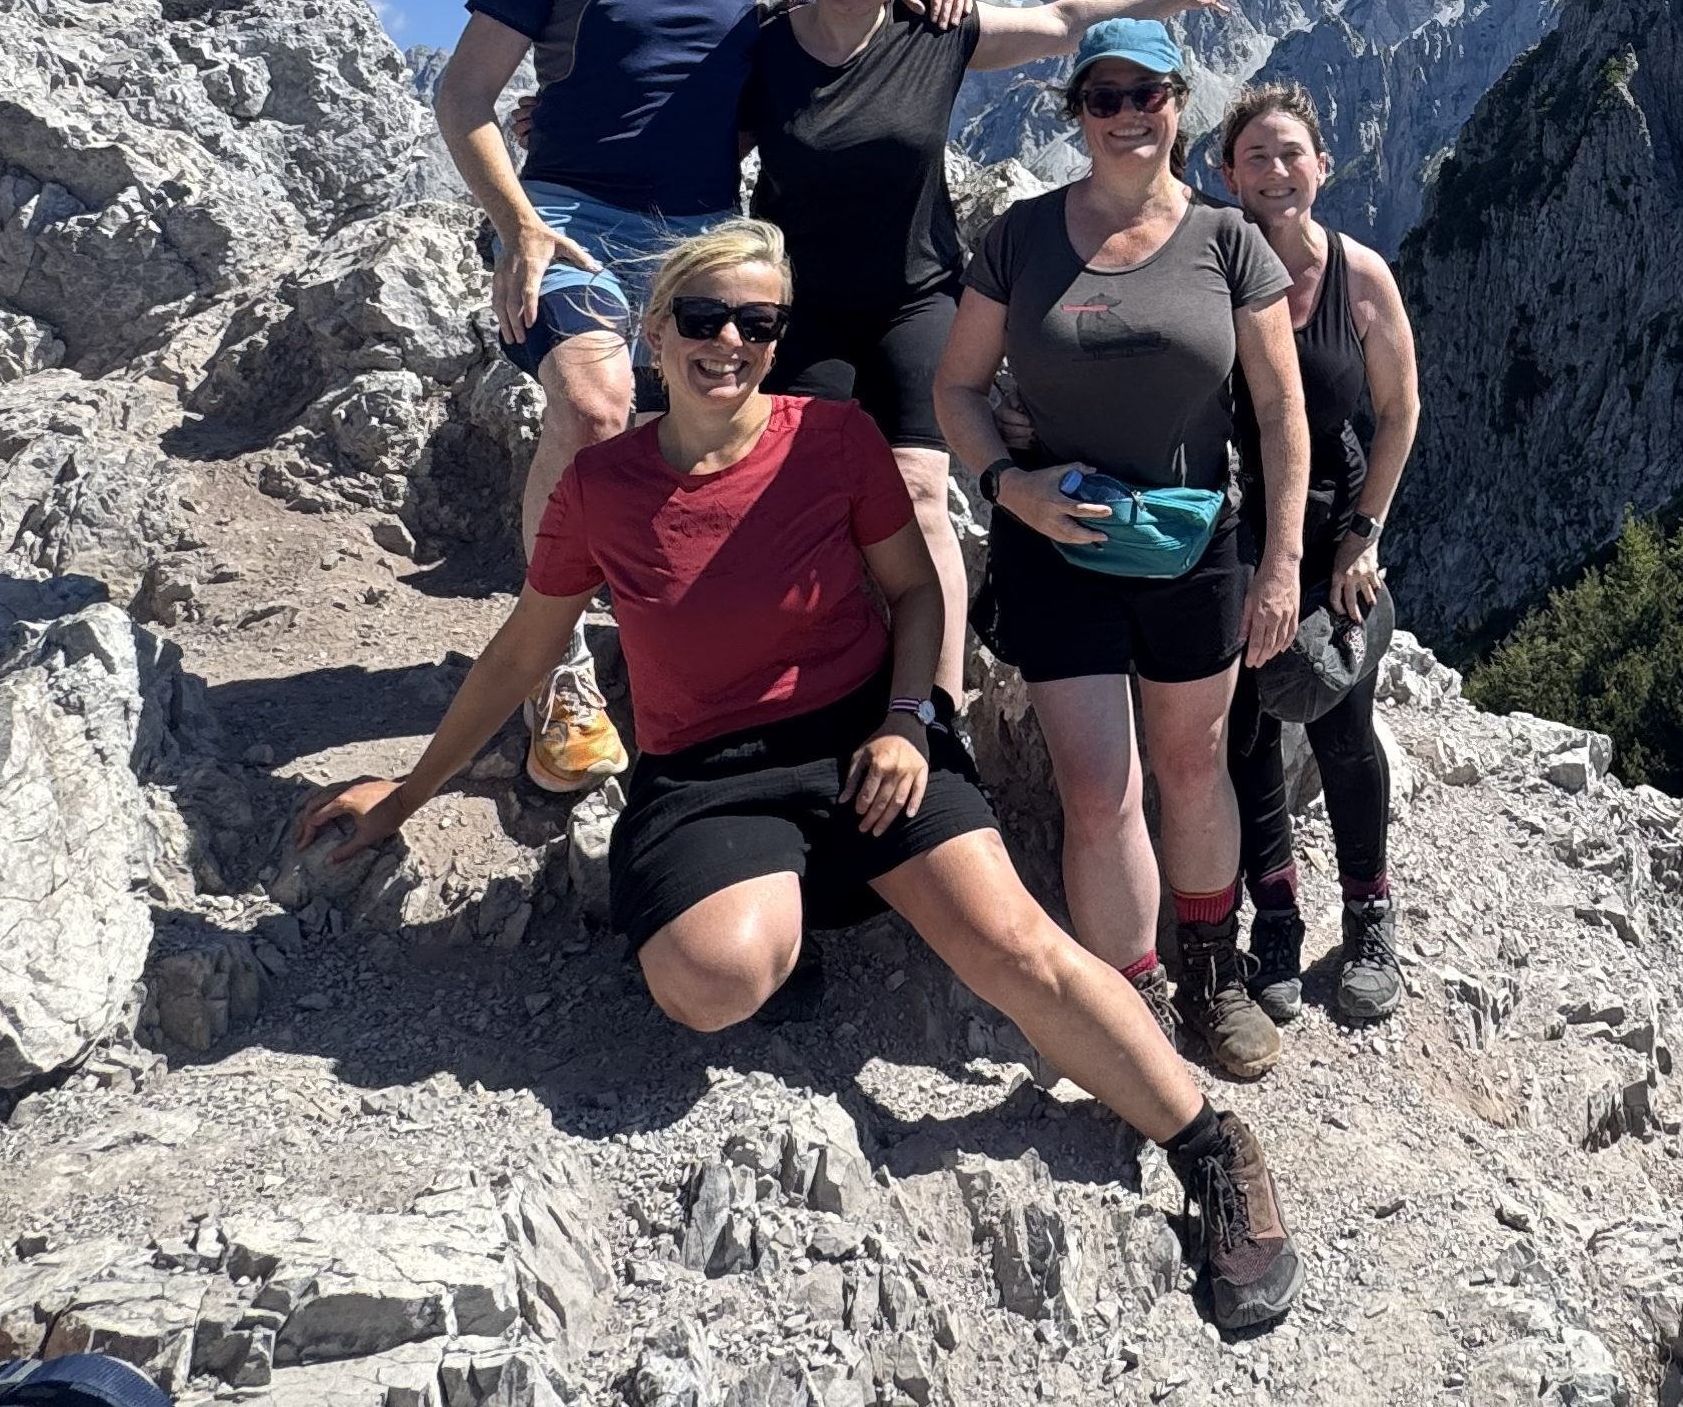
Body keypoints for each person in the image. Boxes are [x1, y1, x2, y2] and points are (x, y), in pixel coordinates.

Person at [294, 223, 1301, 1332]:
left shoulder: (832, 439)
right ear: (655, 329)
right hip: (705, 777)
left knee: (1015, 947)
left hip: (865, 738)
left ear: (780, 340)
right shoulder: (601, 487)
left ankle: (1210, 1146)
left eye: (760, 324)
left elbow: (917, 597)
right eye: (705, 318)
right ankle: (794, 908)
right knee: (711, 982)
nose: (730, 342)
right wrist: (406, 794)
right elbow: (524, 653)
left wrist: (912, 723)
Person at [431, 0, 940, 790]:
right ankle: (559, 676)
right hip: (567, 208)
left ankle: (704, 635)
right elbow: (462, 95)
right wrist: (518, 222)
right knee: (595, 397)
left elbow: (817, 60)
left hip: (704, 223)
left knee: (723, 431)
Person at [745, 0, 1244, 705]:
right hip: (804, 307)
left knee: (919, 494)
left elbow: (1065, 21)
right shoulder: (763, 49)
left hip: (915, 296)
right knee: (804, 493)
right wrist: (558, 124)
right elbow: (685, 127)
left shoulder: (935, 31)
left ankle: (929, 712)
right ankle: (809, 689)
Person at [934, 20, 1312, 1082]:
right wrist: (1010, 489)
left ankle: (1211, 978)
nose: (1127, 113)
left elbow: (1281, 414)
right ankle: (1132, 998)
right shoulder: (1020, 236)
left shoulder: (1228, 241)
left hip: (1197, 542)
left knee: (1192, 767)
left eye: (1146, 93)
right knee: (1099, 789)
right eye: (1103, 97)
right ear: (1079, 114)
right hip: (1057, 539)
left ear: (1180, 104)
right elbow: (956, 387)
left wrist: (1282, 562)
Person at [1207, 85, 1421, 1027]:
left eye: (1292, 153)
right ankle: (1279, 917)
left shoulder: (1360, 277)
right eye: (1256, 156)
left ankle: (1369, 915)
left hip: (1333, 526)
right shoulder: (1206, 267)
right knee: (1250, 726)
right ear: (1227, 176)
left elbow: (1401, 410)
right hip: (1233, 524)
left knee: (1338, 717)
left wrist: (1364, 534)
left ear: (1324, 166)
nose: (1277, 172)